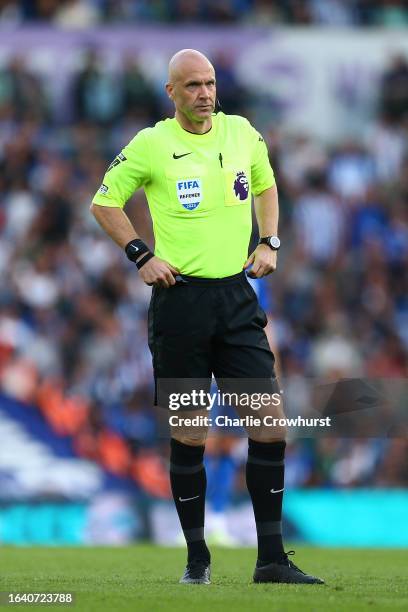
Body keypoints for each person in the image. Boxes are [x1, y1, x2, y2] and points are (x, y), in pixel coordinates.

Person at [90, 48, 324, 586]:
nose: (204, 93)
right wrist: (141, 256)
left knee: (269, 425)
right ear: (171, 92)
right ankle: (198, 558)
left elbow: (265, 184)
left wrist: (270, 241)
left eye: (210, 83)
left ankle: (270, 560)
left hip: (237, 299)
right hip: (181, 304)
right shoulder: (151, 144)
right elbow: (104, 203)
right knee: (190, 434)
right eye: (192, 85)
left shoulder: (242, 133)